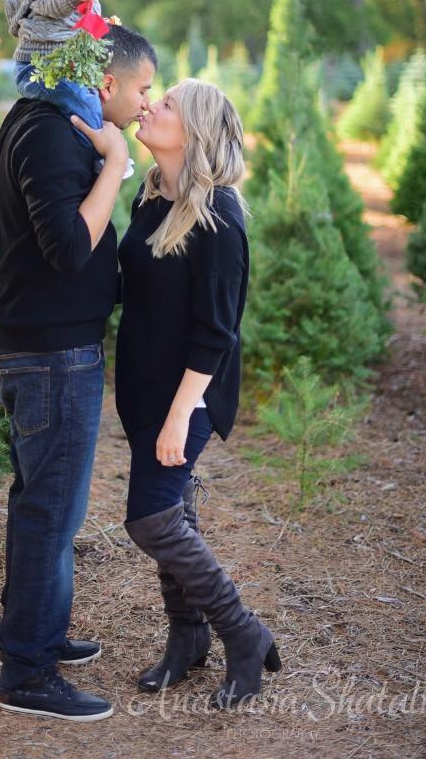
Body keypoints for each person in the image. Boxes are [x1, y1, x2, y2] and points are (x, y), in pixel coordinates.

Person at [86, 78, 282, 710]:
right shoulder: (151, 200)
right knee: (174, 514)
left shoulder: (220, 218)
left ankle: (242, 633)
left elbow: (215, 334)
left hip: (188, 398)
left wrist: (178, 419)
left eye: (166, 102)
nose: (151, 105)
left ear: (192, 130)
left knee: (152, 518)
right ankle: (187, 638)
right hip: (143, 389)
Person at [0, 25, 157, 721]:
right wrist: (116, 165)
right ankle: (27, 670)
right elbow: (67, 248)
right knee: (50, 511)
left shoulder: (48, 119)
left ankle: (38, 634)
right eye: (143, 89)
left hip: (50, 344)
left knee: (47, 504)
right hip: (52, 352)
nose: (148, 104)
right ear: (107, 84)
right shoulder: (57, 132)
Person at [2, 0, 128, 143]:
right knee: (81, 99)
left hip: (63, 70)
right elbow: (51, 4)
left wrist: (105, 30)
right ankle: (100, 148)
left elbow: (84, 34)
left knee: (91, 96)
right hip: (36, 70)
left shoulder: (92, 0)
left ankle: (89, 140)